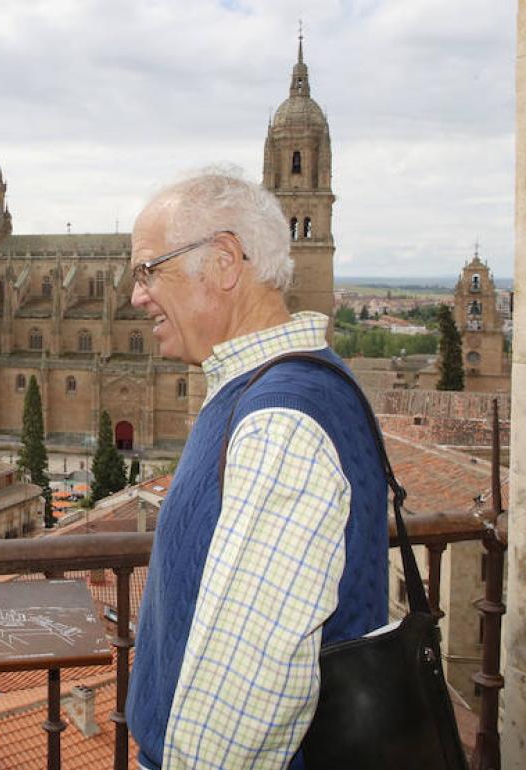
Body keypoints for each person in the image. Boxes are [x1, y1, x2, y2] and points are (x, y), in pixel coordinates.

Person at [124, 171, 388, 769]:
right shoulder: (280, 386)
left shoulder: (278, 422)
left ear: (223, 262)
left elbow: (247, 705)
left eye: (148, 270)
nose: (137, 296)